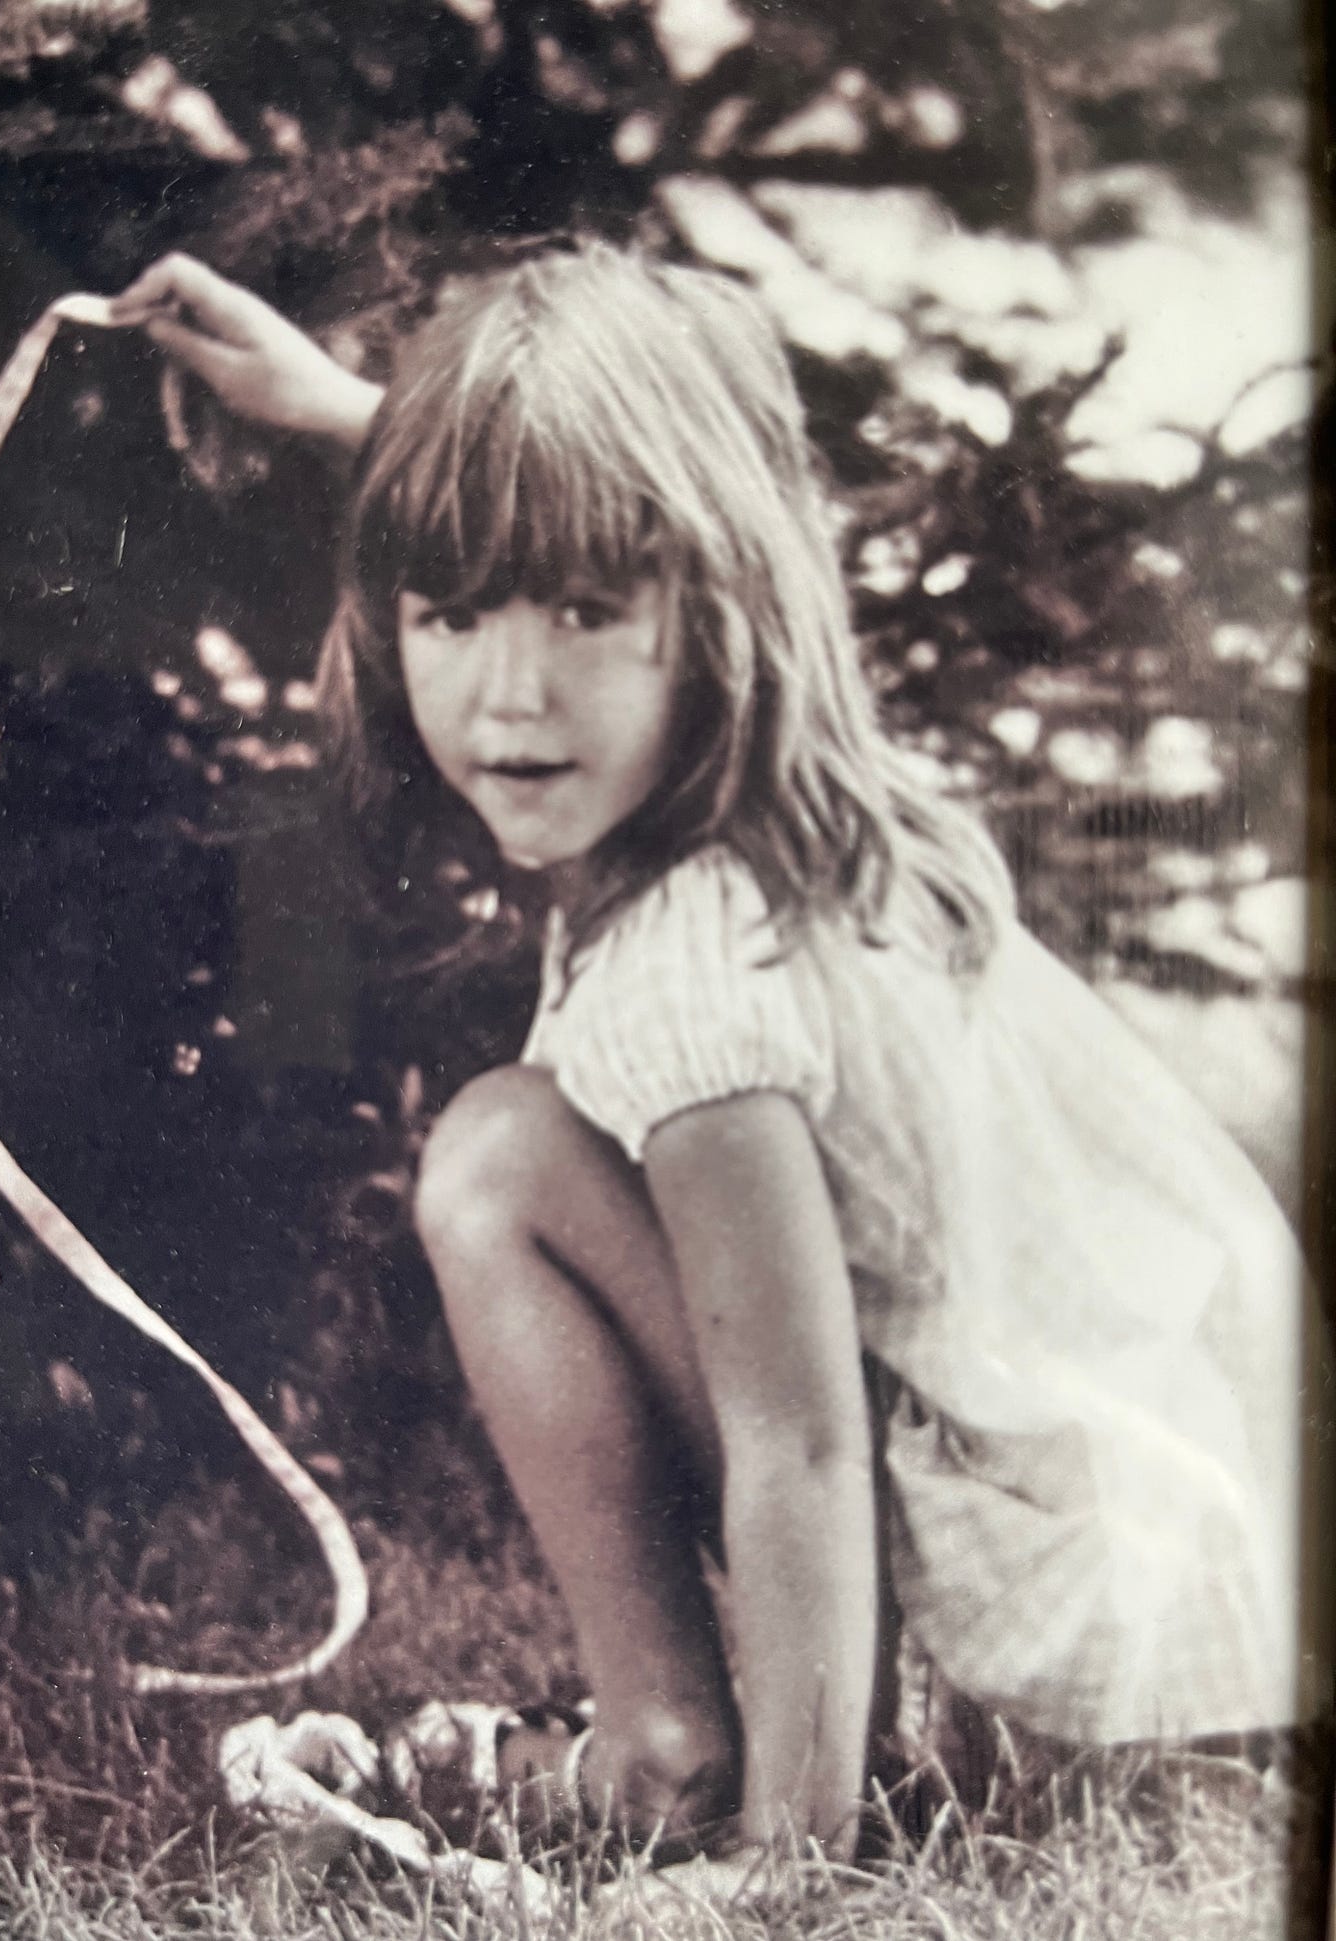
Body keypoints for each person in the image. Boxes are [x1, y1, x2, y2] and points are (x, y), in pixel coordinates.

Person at [112, 245, 1332, 1864]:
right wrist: (340, 407)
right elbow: (600, 504)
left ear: (717, 608)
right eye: (453, 613)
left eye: (588, 611)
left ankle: (685, 1755)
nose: (513, 690)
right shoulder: (794, 783)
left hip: (1072, 1638)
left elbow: (803, 1438)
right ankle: (755, 1738)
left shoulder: (705, 965)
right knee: (526, 1136)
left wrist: (785, 1871)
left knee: (499, 1157)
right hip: (1181, 1538)